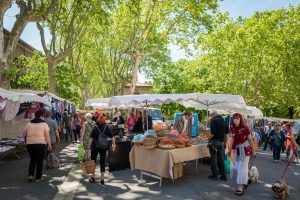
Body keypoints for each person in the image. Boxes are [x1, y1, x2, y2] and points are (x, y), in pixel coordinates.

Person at [228, 113, 256, 196]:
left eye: (237, 118)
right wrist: (229, 150)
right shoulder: (232, 127)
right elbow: (232, 139)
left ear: (240, 119)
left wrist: (254, 151)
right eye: (234, 118)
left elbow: (250, 140)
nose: (235, 120)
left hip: (245, 150)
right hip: (237, 150)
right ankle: (247, 177)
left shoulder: (245, 128)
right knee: (236, 167)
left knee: (241, 168)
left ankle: (240, 186)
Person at [23, 110, 52, 182]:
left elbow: (24, 134)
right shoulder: (44, 124)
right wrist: (49, 144)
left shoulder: (29, 124)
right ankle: (38, 177)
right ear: (41, 116)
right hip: (40, 144)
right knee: (39, 161)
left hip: (30, 144)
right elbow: (47, 135)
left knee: (32, 159)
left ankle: (31, 175)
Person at [87, 115, 116, 185]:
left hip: (94, 146)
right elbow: (112, 137)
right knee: (102, 161)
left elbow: (91, 138)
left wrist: (88, 147)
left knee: (93, 161)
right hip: (103, 146)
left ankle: (93, 177)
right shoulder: (106, 127)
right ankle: (102, 179)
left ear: (97, 120)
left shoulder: (95, 127)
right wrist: (113, 145)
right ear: (103, 120)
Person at [207, 111, 228, 182]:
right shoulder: (224, 120)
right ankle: (223, 175)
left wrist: (208, 138)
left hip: (214, 142)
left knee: (213, 159)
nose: (210, 117)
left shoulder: (214, 121)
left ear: (213, 115)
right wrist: (225, 143)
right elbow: (226, 133)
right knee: (221, 159)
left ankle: (214, 175)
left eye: (210, 116)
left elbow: (212, 133)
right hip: (221, 142)